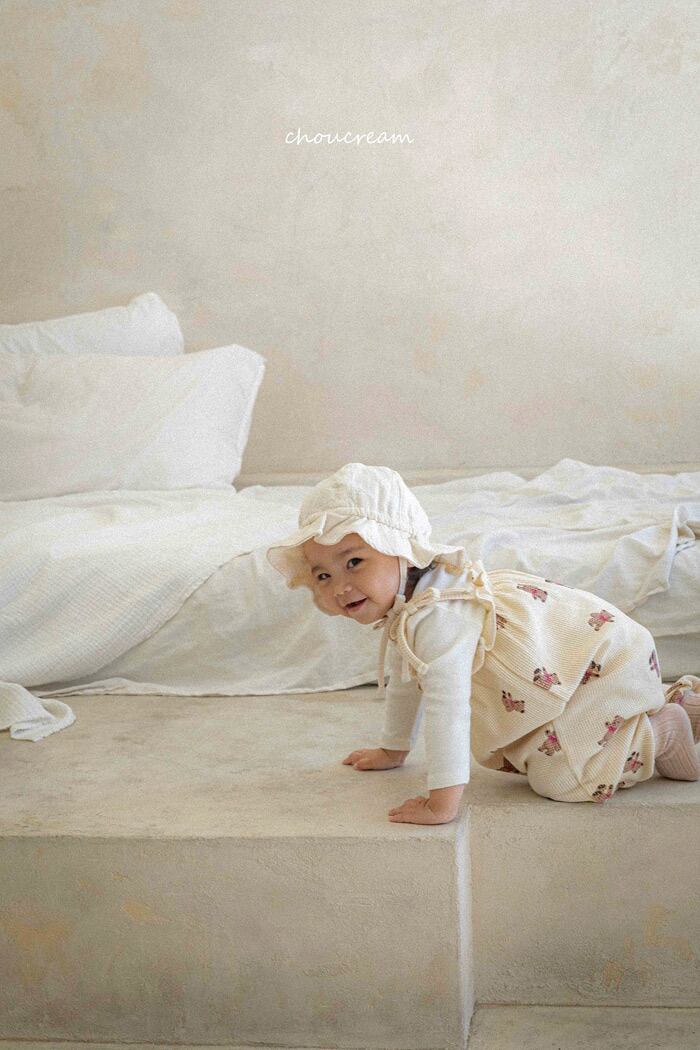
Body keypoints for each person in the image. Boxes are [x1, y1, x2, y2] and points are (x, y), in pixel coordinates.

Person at [266, 463, 700, 824]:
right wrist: (393, 749)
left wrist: (442, 802)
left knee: (568, 778)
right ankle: (677, 705)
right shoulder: (412, 606)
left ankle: (664, 730)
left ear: (403, 550)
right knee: (545, 750)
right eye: (324, 575)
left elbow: (448, 707)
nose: (339, 587)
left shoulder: (439, 613)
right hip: (583, 674)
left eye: (354, 562)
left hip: (598, 663)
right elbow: (406, 678)